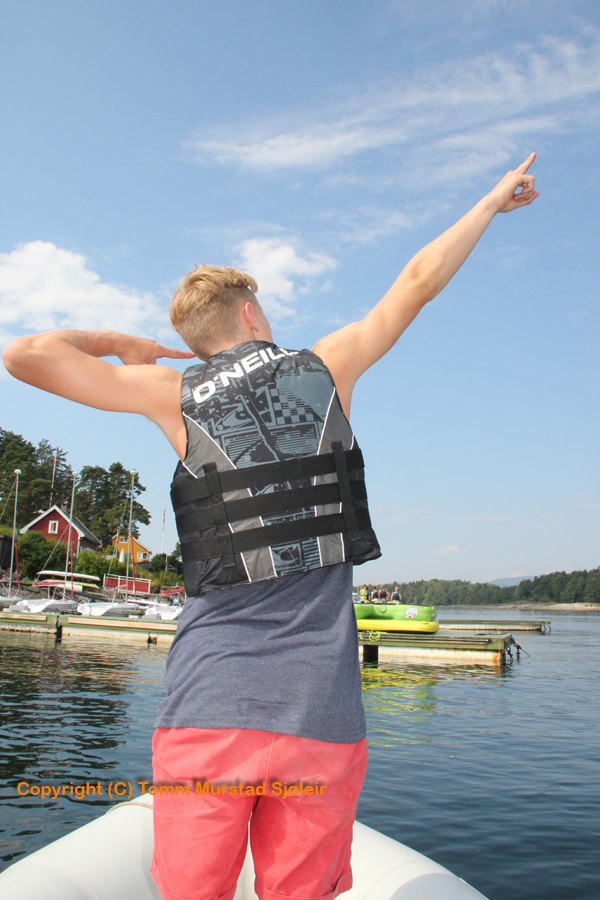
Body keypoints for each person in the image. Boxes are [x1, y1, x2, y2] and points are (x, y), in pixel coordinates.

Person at [2, 154, 538, 900]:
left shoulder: (169, 392)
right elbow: (417, 282)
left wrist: (120, 342)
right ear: (251, 313)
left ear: (196, 336)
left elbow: (23, 355)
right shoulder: (327, 366)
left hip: (207, 710)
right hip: (319, 715)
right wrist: (487, 205)